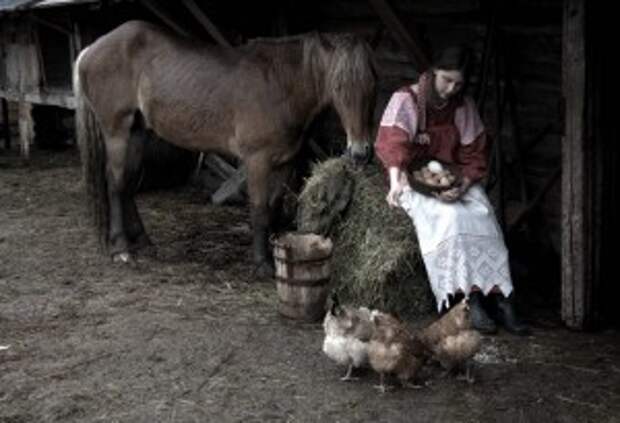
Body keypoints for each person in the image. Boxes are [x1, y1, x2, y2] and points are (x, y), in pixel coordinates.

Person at [374, 45, 529, 335]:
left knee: (482, 214)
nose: (451, 88)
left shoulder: (462, 105)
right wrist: (395, 182)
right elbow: (392, 144)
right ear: (433, 72)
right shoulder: (406, 100)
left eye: (458, 83)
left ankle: (500, 297)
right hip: (415, 180)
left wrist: (463, 186)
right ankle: (467, 298)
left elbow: (474, 153)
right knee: (451, 220)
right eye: (446, 80)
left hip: (453, 177)